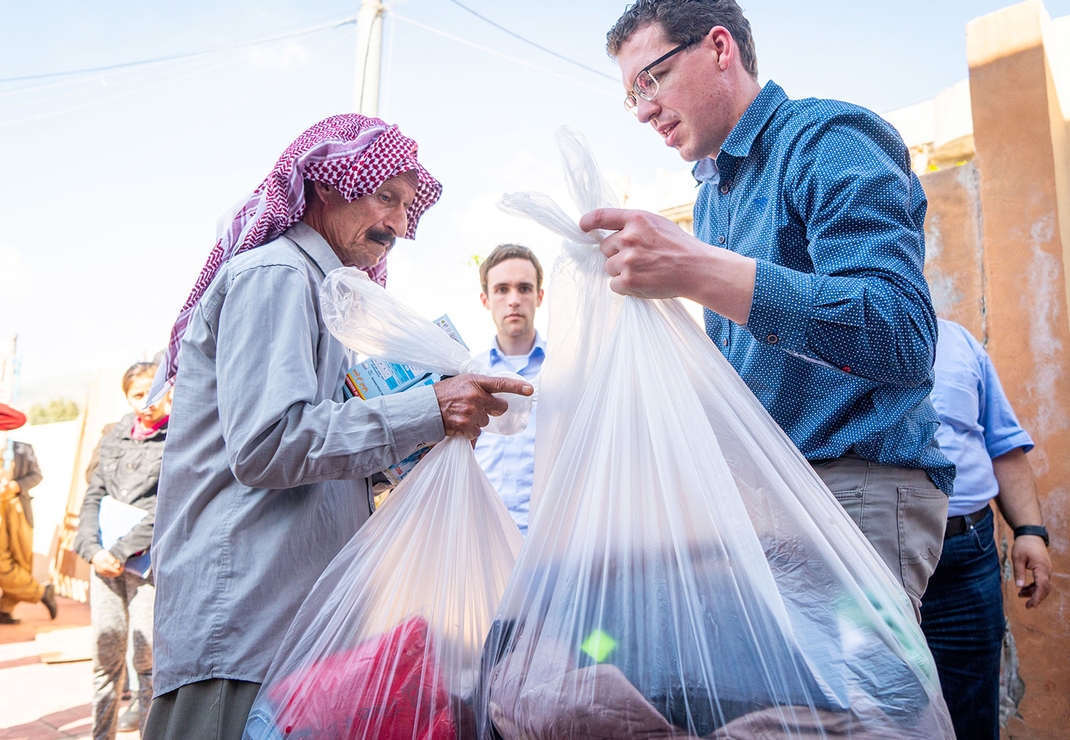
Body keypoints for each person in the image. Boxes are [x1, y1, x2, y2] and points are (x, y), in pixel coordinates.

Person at [144, 114, 532, 739]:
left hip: (291, 624)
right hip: (241, 624)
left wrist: (418, 437)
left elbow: (318, 442)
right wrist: (427, 409)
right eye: (387, 198)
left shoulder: (321, 292)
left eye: (408, 207)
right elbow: (270, 443)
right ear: (326, 186)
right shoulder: (277, 276)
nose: (400, 225)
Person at [580, 0, 952, 617]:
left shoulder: (826, 139)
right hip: (769, 498)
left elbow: (901, 332)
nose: (644, 110)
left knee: (855, 709)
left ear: (720, 49)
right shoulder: (710, 200)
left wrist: (697, 269)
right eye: (631, 97)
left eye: (652, 79)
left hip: (848, 487)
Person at [920, 319, 1052, 740]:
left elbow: (1002, 444)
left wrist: (1030, 530)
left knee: (971, 712)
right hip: (866, 565)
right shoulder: (825, 329)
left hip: (966, 562)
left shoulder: (958, 340)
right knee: (873, 710)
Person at [74, 361, 171, 739]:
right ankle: (102, 734)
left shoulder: (178, 439)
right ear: (127, 397)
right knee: (106, 656)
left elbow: (166, 505)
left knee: (146, 661)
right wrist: (92, 549)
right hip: (104, 566)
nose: (146, 401)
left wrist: (122, 549)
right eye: (137, 394)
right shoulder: (114, 436)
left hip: (144, 567)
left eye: (153, 392)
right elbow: (93, 496)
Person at [473, 244, 546, 535]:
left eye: (524, 288)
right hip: (481, 541)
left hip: (551, 542)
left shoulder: (568, 371)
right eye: (502, 289)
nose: (514, 300)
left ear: (539, 296)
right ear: (486, 299)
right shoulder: (466, 376)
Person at [0, 401, 57, 625]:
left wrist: (14, 486)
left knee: (20, 560)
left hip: (16, 510)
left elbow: (36, 475)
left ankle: (6, 609)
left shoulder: (21, 448)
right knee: (3, 564)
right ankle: (40, 592)